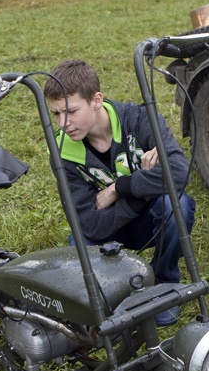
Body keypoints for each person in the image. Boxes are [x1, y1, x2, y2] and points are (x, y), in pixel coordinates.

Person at [43, 60, 196, 326]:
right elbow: (89, 222)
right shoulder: (62, 151)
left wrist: (120, 188)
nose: (63, 123)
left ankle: (165, 282)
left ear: (97, 100)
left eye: (71, 111)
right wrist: (146, 186)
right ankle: (122, 289)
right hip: (107, 233)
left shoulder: (139, 119)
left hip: (146, 221)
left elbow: (179, 172)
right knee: (79, 245)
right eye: (56, 114)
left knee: (177, 206)